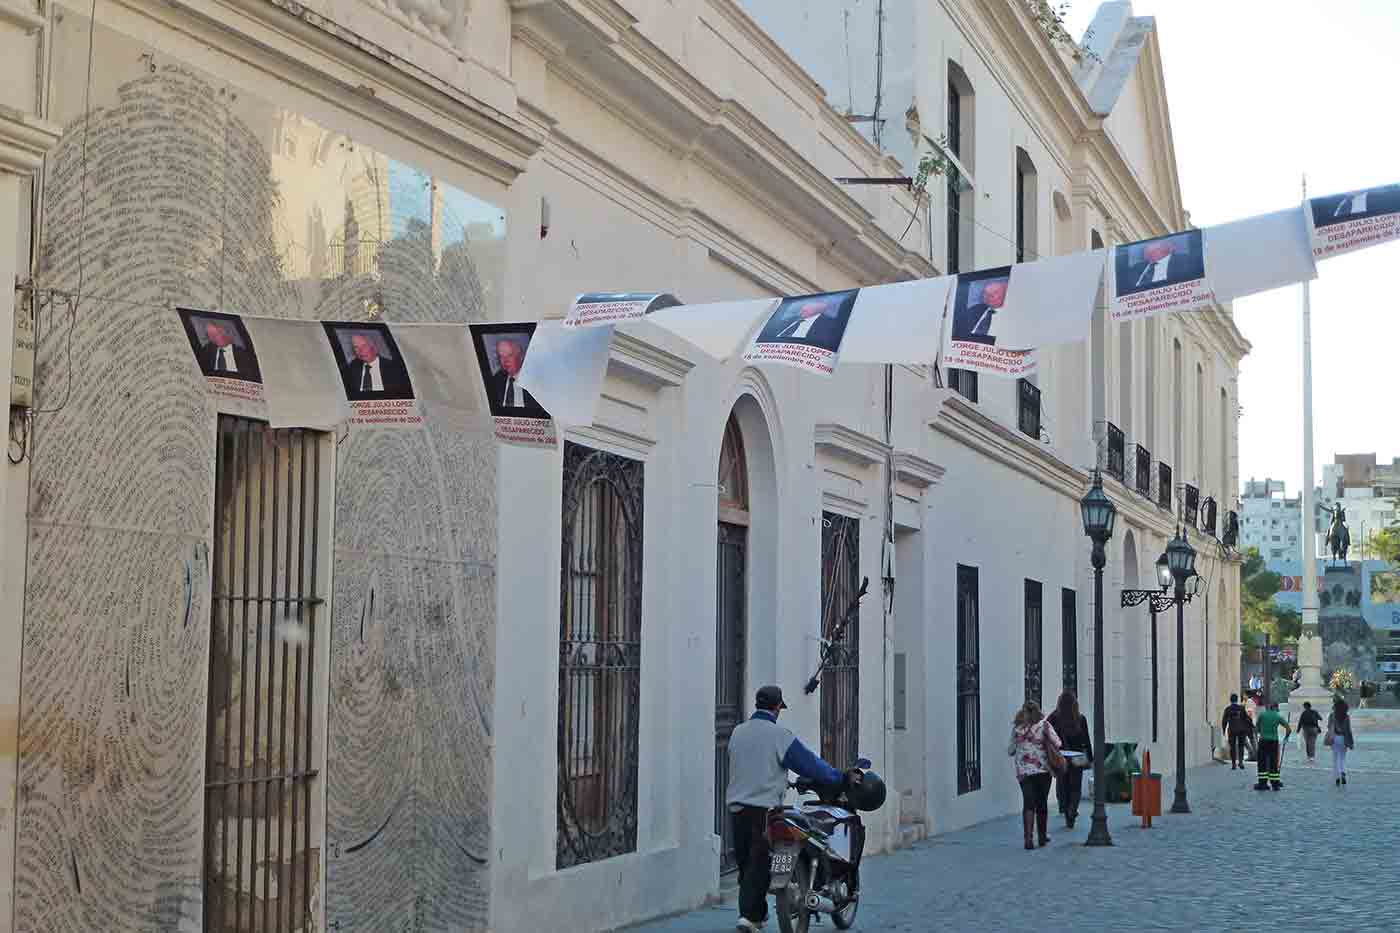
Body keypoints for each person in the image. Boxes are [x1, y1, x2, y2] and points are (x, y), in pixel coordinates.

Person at [725, 685, 843, 933]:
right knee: (759, 862)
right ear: (777, 707)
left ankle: (755, 915)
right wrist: (836, 777)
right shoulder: (780, 735)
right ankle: (749, 917)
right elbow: (810, 765)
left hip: (736, 808)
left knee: (746, 863)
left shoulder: (737, 732)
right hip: (764, 810)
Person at [1008, 699, 1062, 850]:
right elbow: (1058, 743)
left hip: (1024, 772)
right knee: (1041, 802)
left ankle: (1028, 839)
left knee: (1028, 803)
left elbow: (1010, 750)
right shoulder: (1044, 725)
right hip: (1043, 770)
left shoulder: (1017, 728)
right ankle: (1043, 837)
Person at [1046, 690, 1090, 829]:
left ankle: (1066, 811)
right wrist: (1090, 757)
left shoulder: (1054, 718)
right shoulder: (1080, 719)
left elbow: (1046, 733)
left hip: (1061, 756)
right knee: (1075, 786)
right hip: (1077, 757)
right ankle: (1073, 809)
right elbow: (1086, 741)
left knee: (1063, 784)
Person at [756, 294, 852, 350]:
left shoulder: (827, 328)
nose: (804, 307)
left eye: (809, 304)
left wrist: (824, 305)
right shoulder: (785, 321)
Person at [342, 332, 411, 399]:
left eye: (364, 346)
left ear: (373, 346)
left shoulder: (393, 368)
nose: (361, 351)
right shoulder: (353, 366)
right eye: (356, 347)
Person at [486, 337, 543, 412]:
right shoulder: (496, 379)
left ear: (521, 356)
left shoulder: (536, 379)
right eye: (501, 356)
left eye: (509, 355)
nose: (505, 361)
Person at [952, 279, 1008, 345]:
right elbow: (957, 332)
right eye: (985, 293)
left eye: (995, 292)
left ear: (1005, 293)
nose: (989, 296)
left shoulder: (1010, 316)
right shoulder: (974, 309)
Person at [1253, 701, 1291, 792]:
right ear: (1276, 707)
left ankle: (1263, 783)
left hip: (1263, 741)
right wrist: (1286, 738)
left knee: (1262, 762)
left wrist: (1260, 734)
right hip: (1274, 741)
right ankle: (1275, 784)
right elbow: (1288, 729)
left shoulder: (1262, 715)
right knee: (1273, 762)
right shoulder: (1278, 716)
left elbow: (1256, 728)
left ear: (1270, 707)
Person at [1325, 697, 1356, 787]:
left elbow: (1328, 727)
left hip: (1334, 738)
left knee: (1335, 758)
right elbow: (1348, 730)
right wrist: (1351, 742)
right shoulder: (1346, 717)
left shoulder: (1332, 715)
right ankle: (1343, 772)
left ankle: (1337, 777)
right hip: (1343, 738)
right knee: (1342, 758)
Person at [1221, 693, 1253, 771]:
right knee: (1241, 746)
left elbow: (1224, 720)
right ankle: (1241, 762)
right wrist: (1250, 726)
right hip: (1241, 730)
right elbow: (1246, 719)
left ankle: (1233, 764)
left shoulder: (1228, 709)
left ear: (1230, 700)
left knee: (1232, 747)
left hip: (1232, 730)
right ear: (1237, 699)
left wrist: (1224, 730)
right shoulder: (1241, 708)